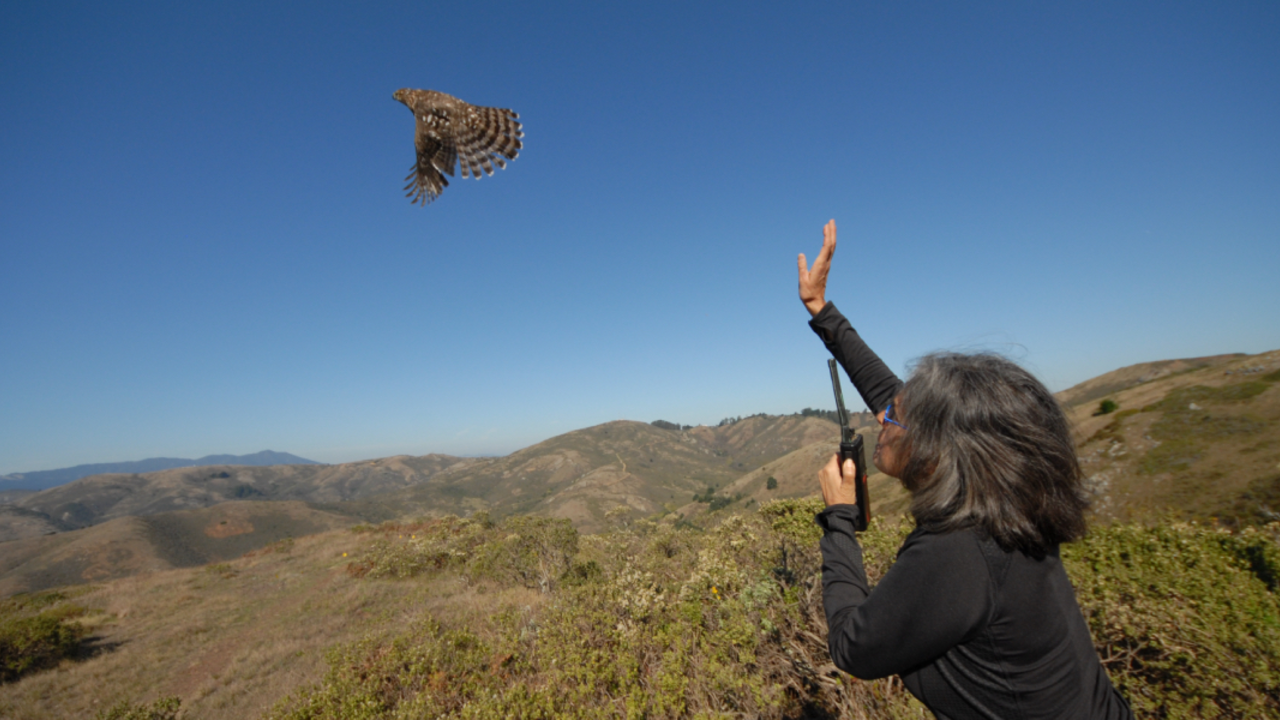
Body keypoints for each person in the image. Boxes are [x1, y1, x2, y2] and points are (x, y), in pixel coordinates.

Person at [797, 220, 1133, 719]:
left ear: (935, 449)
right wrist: (822, 312)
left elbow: (854, 647)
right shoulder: (1008, 505)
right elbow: (895, 397)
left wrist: (839, 519)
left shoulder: (961, 552)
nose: (880, 417)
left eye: (894, 416)